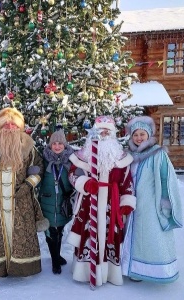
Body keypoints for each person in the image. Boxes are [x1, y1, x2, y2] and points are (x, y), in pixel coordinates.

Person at [66, 116, 136, 287]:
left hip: (111, 206)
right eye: (100, 131)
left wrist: (126, 202)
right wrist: (84, 183)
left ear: (113, 135)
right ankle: (84, 272)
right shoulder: (83, 155)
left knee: (111, 238)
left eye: (107, 131)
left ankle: (109, 273)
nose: (104, 134)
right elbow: (72, 175)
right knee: (87, 235)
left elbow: (127, 182)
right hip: (89, 203)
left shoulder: (121, 157)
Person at [0, 107, 49, 277]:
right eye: (6, 125)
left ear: (20, 127)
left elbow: (38, 169)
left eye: (13, 125)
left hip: (22, 200)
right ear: (0, 128)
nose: (10, 128)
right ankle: (2, 268)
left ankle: (23, 267)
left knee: (21, 234)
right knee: (1, 234)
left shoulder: (28, 148)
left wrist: (27, 186)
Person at [121, 116, 183, 283]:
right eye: (135, 135)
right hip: (132, 204)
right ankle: (133, 269)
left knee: (150, 237)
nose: (139, 138)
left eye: (142, 134)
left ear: (148, 135)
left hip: (150, 204)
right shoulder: (128, 155)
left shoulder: (158, 154)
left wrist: (165, 205)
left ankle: (156, 271)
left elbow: (166, 180)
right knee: (132, 236)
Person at [39, 129, 74, 275]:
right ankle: (55, 260)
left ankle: (57, 255)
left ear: (65, 145)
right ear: (50, 145)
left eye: (60, 143)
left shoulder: (72, 160)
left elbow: (76, 178)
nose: (57, 146)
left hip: (63, 203)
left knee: (59, 229)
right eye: (54, 143)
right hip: (47, 201)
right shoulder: (43, 159)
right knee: (50, 231)